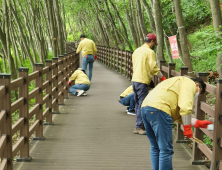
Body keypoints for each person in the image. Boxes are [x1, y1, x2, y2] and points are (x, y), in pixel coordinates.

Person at [141, 76, 212, 170]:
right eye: (199, 91)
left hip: (145, 108)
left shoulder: (177, 82)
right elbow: (185, 108)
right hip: (160, 109)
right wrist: (187, 128)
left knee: (155, 147)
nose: (197, 94)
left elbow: (180, 115)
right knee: (166, 150)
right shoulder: (189, 83)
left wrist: (198, 123)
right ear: (197, 85)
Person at [132, 33, 166, 135]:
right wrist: (162, 77)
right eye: (154, 43)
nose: (154, 45)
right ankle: (139, 126)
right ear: (151, 42)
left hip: (135, 80)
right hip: (142, 80)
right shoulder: (149, 52)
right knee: (142, 105)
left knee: (138, 104)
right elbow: (153, 67)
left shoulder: (137, 50)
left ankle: (139, 125)